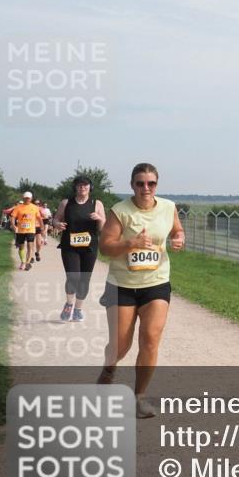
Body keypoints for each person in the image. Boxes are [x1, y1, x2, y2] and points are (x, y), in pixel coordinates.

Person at [96, 163, 184, 418]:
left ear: (157, 184)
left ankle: (139, 398)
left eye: (151, 183)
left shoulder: (168, 207)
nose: (146, 188)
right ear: (132, 185)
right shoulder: (120, 211)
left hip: (156, 282)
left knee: (150, 339)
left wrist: (179, 237)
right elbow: (105, 248)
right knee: (120, 346)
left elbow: (177, 229)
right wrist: (131, 243)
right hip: (122, 285)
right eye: (140, 183)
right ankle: (109, 369)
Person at [54, 176, 107, 322]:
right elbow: (56, 218)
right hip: (70, 246)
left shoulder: (97, 204)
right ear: (75, 187)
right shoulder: (66, 203)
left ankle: (78, 309)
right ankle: (69, 304)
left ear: (90, 187)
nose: (82, 187)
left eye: (85, 185)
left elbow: (103, 228)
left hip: (90, 247)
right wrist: (57, 224)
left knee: (84, 279)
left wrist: (99, 219)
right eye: (79, 185)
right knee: (73, 276)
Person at [10, 192, 43, 270]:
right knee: (21, 247)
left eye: (28, 198)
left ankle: (27, 263)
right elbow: (13, 217)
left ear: (31, 199)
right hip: (21, 230)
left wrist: (42, 226)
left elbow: (39, 218)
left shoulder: (35, 207)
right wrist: (14, 226)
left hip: (31, 230)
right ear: (23, 198)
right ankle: (23, 261)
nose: (27, 199)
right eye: (25, 198)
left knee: (30, 246)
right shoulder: (18, 207)